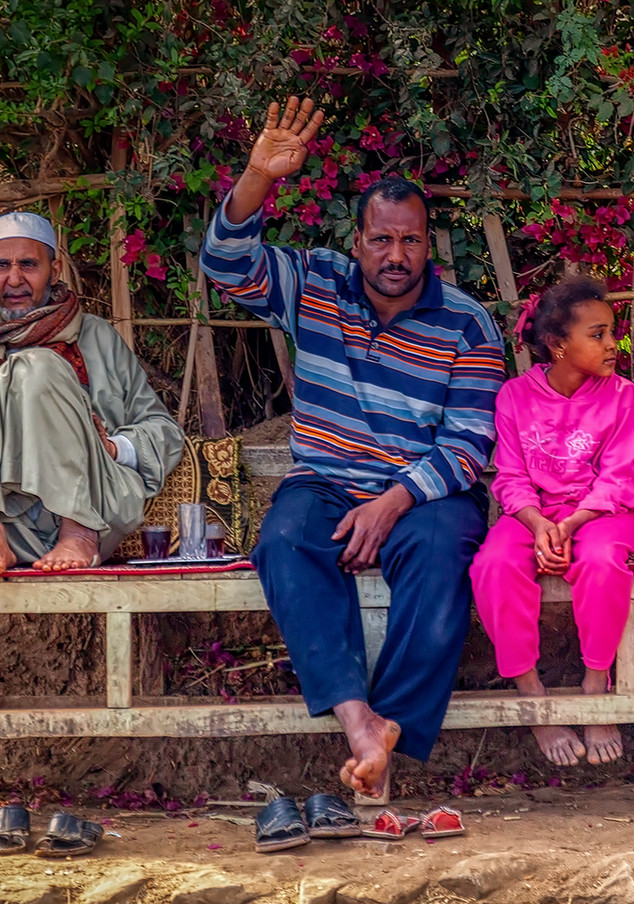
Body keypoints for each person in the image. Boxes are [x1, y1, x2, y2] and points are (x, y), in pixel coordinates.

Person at [199, 97, 504, 800]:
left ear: (429, 243)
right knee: (282, 541)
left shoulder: (468, 323)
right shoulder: (315, 284)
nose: (396, 257)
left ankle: (391, 722)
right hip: (326, 481)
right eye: (380, 241)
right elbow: (225, 263)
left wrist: (391, 503)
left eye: (411, 242)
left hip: (423, 493)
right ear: (357, 239)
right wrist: (256, 176)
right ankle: (358, 720)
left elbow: (468, 444)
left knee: (439, 555)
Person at [0, 211, 184, 580]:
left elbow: (163, 431)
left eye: (29, 264)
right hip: (10, 521)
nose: (15, 278)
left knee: (38, 366)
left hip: (96, 505)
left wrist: (116, 447)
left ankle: (78, 529)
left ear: (54, 271)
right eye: (2, 265)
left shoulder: (95, 336)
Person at [469, 277, 634, 767]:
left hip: (606, 515)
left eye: (611, 332)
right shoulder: (513, 397)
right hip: (534, 517)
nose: (612, 344)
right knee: (492, 565)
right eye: (597, 334)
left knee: (601, 558)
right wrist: (536, 523)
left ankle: (596, 683)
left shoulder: (623, 397)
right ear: (557, 343)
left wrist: (569, 526)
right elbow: (509, 477)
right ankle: (533, 696)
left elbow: (621, 480)